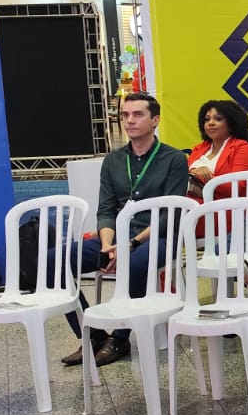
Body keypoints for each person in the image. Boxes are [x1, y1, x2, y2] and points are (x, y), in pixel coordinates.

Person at [60, 92, 190, 367]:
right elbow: (106, 210)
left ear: (155, 120)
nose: (129, 120)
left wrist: (131, 244)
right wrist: (109, 244)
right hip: (117, 238)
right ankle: (93, 335)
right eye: (125, 115)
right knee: (56, 260)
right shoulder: (114, 160)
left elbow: (170, 214)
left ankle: (120, 338)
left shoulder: (174, 159)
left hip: (158, 237)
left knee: (135, 262)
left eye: (138, 114)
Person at [185, 100, 248, 203]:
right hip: (190, 203)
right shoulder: (199, 148)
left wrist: (206, 178)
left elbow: (237, 187)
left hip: (223, 207)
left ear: (232, 123)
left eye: (218, 119)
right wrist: (194, 172)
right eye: (207, 119)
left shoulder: (241, 147)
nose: (211, 123)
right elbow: (182, 176)